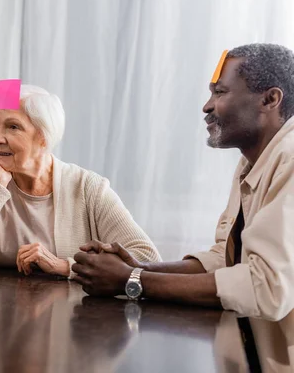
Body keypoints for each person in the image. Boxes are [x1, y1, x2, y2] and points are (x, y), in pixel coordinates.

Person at [72, 43, 294, 370]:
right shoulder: (253, 161)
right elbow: (227, 258)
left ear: (269, 100)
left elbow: (266, 289)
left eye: (220, 92)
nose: (207, 106)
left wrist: (131, 280)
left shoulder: (289, 159)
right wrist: (141, 268)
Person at [0, 85, 160, 277]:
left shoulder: (88, 188)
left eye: (13, 127)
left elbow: (147, 258)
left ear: (44, 137)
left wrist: (64, 266)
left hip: (72, 318)